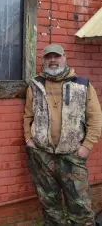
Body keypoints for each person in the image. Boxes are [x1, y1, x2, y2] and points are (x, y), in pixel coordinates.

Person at [24, 44, 102, 226]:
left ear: (64, 58)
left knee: (80, 206)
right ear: (43, 60)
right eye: (49, 57)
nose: (53, 60)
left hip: (72, 155)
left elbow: (95, 117)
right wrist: (29, 140)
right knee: (49, 205)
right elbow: (28, 115)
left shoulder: (82, 84)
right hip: (42, 156)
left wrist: (86, 146)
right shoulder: (35, 85)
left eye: (56, 56)